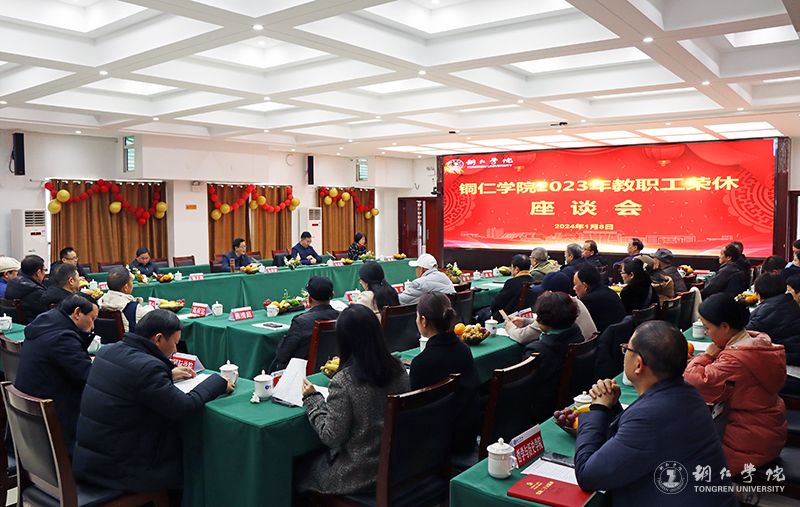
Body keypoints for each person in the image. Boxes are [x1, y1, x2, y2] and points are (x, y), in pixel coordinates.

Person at [73, 310, 232, 498]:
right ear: (158, 339)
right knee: (192, 457)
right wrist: (218, 381)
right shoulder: (147, 368)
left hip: (90, 461)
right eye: (175, 343)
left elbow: (131, 381)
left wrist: (167, 374)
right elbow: (183, 407)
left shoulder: (108, 351)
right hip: (120, 471)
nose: (175, 350)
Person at [575, 321, 736, 506]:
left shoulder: (650, 418)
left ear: (638, 364)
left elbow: (588, 475)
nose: (625, 353)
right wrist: (611, 405)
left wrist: (599, 409)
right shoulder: (688, 393)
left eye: (627, 349)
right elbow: (636, 440)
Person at [298, 304, 408, 495]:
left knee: (297, 469)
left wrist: (312, 399)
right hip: (397, 465)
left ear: (343, 341)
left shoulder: (344, 382)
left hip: (357, 473)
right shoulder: (399, 368)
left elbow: (331, 437)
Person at [684, 294, 786, 475]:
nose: (707, 333)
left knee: (684, 457)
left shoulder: (735, 358)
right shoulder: (756, 342)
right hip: (767, 431)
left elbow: (694, 381)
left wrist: (707, 356)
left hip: (748, 443)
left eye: (708, 328)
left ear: (725, 327)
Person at [14, 295, 98, 452]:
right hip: (56, 425)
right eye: (92, 319)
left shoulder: (46, 323)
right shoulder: (61, 338)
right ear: (77, 313)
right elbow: (89, 377)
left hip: (32, 423)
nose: (93, 326)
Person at [411, 292, 480, 452]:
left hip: (438, 445)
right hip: (467, 435)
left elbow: (417, 413)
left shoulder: (421, 363)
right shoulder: (464, 350)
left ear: (423, 321)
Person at [522, 291, 585, 423]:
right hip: (571, 396)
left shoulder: (537, 351)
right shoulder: (577, 334)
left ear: (542, 319)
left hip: (542, 409)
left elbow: (525, 390)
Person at [506, 272, 597, 345]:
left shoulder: (554, 309)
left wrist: (510, 327)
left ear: (551, 293)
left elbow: (522, 337)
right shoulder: (575, 302)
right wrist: (525, 321)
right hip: (586, 354)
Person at [271, 276, 340, 372]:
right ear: (332, 295)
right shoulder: (342, 317)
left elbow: (282, 355)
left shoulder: (301, 322)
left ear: (309, 298)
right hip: (333, 368)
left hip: (302, 373)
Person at [746, 273, 800, 343]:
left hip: (782, 349)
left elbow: (744, 333)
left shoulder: (765, 312)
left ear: (758, 295)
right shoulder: (792, 303)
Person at [97, 266, 153, 332]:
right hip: (129, 338)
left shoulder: (100, 302)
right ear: (126, 287)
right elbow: (152, 317)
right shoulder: (133, 308)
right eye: (131, 282)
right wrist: (151, 307)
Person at [573, 265, 626, 333]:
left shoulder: (588, 301)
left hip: (607, 337)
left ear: (585, 285)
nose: (574, 288)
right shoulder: (610, 291)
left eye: (575, 284)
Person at [485, 254, 534, 321]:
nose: (510, 270)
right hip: (527, 317)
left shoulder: (511, 283)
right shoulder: (534, 281)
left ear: (516, 269)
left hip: (508, 318)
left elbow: (495, 305)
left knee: (481, 313)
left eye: (511, 267)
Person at [5, 254, 48, 322]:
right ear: (38, 272)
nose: (45, 273)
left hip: (15, 322)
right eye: (44, 270)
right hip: (34, 324)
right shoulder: (36, 291)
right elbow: (48, 313)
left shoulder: (12, 283)